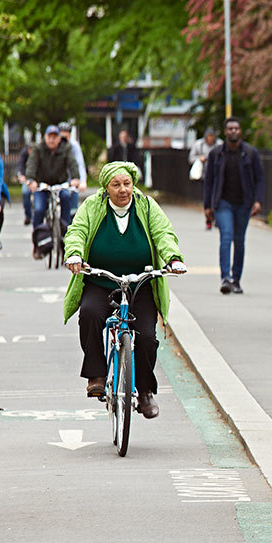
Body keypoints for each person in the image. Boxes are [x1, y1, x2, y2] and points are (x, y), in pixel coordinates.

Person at [63, 162, 187, 419]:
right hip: (101, 281)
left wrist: (173, 258)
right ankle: (96, 375)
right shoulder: (93, 206)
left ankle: (144, 392)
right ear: (106, 188)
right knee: (89, 314)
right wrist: (74, 253)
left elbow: (163, 233)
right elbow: (77, 231)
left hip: (139, 284)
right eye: (116, 185)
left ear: (133, 185)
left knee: (146, 338)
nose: (123, 190)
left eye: (127, 184)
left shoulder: (146, 206)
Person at [202, 117, 265, 294]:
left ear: (240, 131)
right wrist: (207, 205)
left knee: (239, 240)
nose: (233, 131)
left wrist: (258, 200)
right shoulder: (216, 154)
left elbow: (260, 179)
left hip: (244, 203)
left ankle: (236, 279)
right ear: (225, 132)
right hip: (223, 203)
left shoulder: (250, 153)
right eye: (230, 129)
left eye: (236, 128)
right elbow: (209, 181)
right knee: (226, 236)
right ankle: (225, 278)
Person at [26, 124, 80, 259]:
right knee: (39, 209)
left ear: (59, 138)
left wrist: (75, 178)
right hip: (42, 185)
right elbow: (32, 164)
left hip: (60, 184)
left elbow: (73, 163)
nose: (51, 140)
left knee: (66, 198)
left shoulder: (65, 148)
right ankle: (38, 243)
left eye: (54, 137)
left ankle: (66, 237)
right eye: (49, 137)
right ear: (45, 137)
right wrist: (31, 180)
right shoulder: (38, 149)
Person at [189, 127, 222, 229]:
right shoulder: (199, 145)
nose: (210, 139)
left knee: (217, 197)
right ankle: (208, 219)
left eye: (212, 136)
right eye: (208, 136)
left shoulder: (220, 144)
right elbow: (191, 158)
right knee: (207, 198)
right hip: (205, 175)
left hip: (218, 175)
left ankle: (217, 217)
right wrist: (200, 158)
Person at [59, 122, 88, 190]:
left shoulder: (74, 146)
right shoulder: (54, 145)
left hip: (70, 181)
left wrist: (82, 181)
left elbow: (80, 163)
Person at [16, 144, 32, 225]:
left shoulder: (40, 153)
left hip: (38, 178)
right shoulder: (24, 154)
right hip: (27, 178)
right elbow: (20, 165)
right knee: (25, 192)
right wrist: (21, 175)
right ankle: (28, 215)